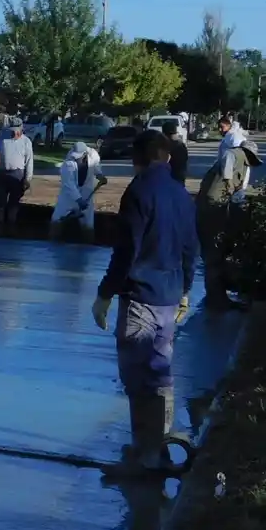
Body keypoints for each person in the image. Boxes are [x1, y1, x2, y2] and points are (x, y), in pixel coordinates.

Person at [91, 130, 198, 473]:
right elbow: (190, 248)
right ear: (166, 157)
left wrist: (105, 293)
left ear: (138, 158)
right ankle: (155, 447)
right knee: (160, 372)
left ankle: (147, 455)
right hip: (169, 297)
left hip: (140, 298)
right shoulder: (181, 194)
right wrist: (186, 289)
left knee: (138, 378)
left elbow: (126, 252)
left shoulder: (138, 192)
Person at [196, 123, 261, 310]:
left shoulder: (233, 161)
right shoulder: (234, 155)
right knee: (214, 255)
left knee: (215, 254)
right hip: (211, 213)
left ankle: (217, 296)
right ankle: (216, 299)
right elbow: (226, 174)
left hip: (208, 212)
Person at [50, 140, 104, 242]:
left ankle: (88, 246)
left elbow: (96, 167)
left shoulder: (93, 155)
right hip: (68, 195)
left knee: (88, 222)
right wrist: (79, 200)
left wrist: (100, 175)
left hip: (86, 192)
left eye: (78, 157)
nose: (75, 158)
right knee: (57, 219)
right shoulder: (68, 163)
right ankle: (53, 242)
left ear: (85, 154)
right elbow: (69, 184)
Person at [0, 116, 34, 227]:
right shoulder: (2, 137)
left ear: (21, 129)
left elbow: (29, 162)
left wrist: (28, 179)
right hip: (2, 173)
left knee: (14, 203)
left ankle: (11, 225)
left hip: (17, 175)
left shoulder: (26, 142)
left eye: (16, 131)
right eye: (12, 131)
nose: (14, 133)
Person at [161, 118, 190, 185]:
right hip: (180, 177)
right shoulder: (181, 145)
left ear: (164, 133)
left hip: (170, 179)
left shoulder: (167, 146)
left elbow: (164, 162)